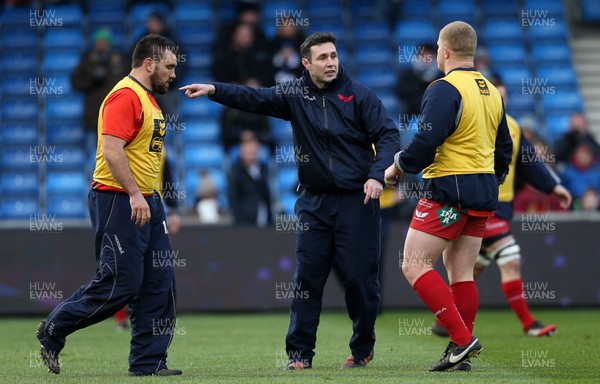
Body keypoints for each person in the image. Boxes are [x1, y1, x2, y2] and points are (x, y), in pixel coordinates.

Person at [181, 32, 400, 370]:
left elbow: (388, 135)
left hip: (358, 200)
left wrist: (376, 174)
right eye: (322, 58)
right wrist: (214, 89)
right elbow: (254, 98)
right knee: (306, 280)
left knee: (359, 279)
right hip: (314, 203)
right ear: (306, 63)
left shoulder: (360, 96)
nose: (330, 62)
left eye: (333, 56)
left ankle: (361, 348)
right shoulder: (294, 95)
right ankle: (299, 355)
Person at [36, 34, 182, 377]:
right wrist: (134, 193)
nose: (174, 74)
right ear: (149, 63)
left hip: (147, 202)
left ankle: (148, 363)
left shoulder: (148, 99)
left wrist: (152, 198)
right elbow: (112, 150)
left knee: (160, 284)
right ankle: (54, 327)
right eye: (170, 66)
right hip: (119, 199)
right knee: (121, 282)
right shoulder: (124, 96)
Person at [384, 21, 513, 372]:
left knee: (413, 263)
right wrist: (492, 180)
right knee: (462, 272)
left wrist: (399, 166)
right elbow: (505, 148)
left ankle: (462, 337)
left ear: (444, 51)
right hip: (484, 191)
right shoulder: (491, 90)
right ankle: (460, 350)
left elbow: (427, 141)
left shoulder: (443, 88)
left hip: (449, 191)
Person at [430, 77, 572, 341]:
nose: (502, 102)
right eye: (499, 96)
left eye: (505, 98)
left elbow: (530, 163)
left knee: (471, 270)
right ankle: (529, 323)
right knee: (510, 258)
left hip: (495, 209)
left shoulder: (513, 128)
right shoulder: (472, 124)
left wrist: (554, 186)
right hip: (478, 205)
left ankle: (444, 320)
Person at [71, 27, 129, 154]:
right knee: (94, 154)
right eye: (98, 41)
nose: (101, 45)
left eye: (104, 41)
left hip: (116, 117)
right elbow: (75, 83)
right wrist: (92, 79)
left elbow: (128, 85)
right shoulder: (87, 60)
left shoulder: (119, 60)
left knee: (115, 153)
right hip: (93, 117)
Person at [228, 133, 272, 226]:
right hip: (245, 223)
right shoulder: (236, 171)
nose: (251, 151)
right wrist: (241, 222)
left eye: (254, 148)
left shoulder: (263, 168)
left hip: (264, 219)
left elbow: (266, 195)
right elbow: (233, 198)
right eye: (248, 148)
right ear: (242, 151)